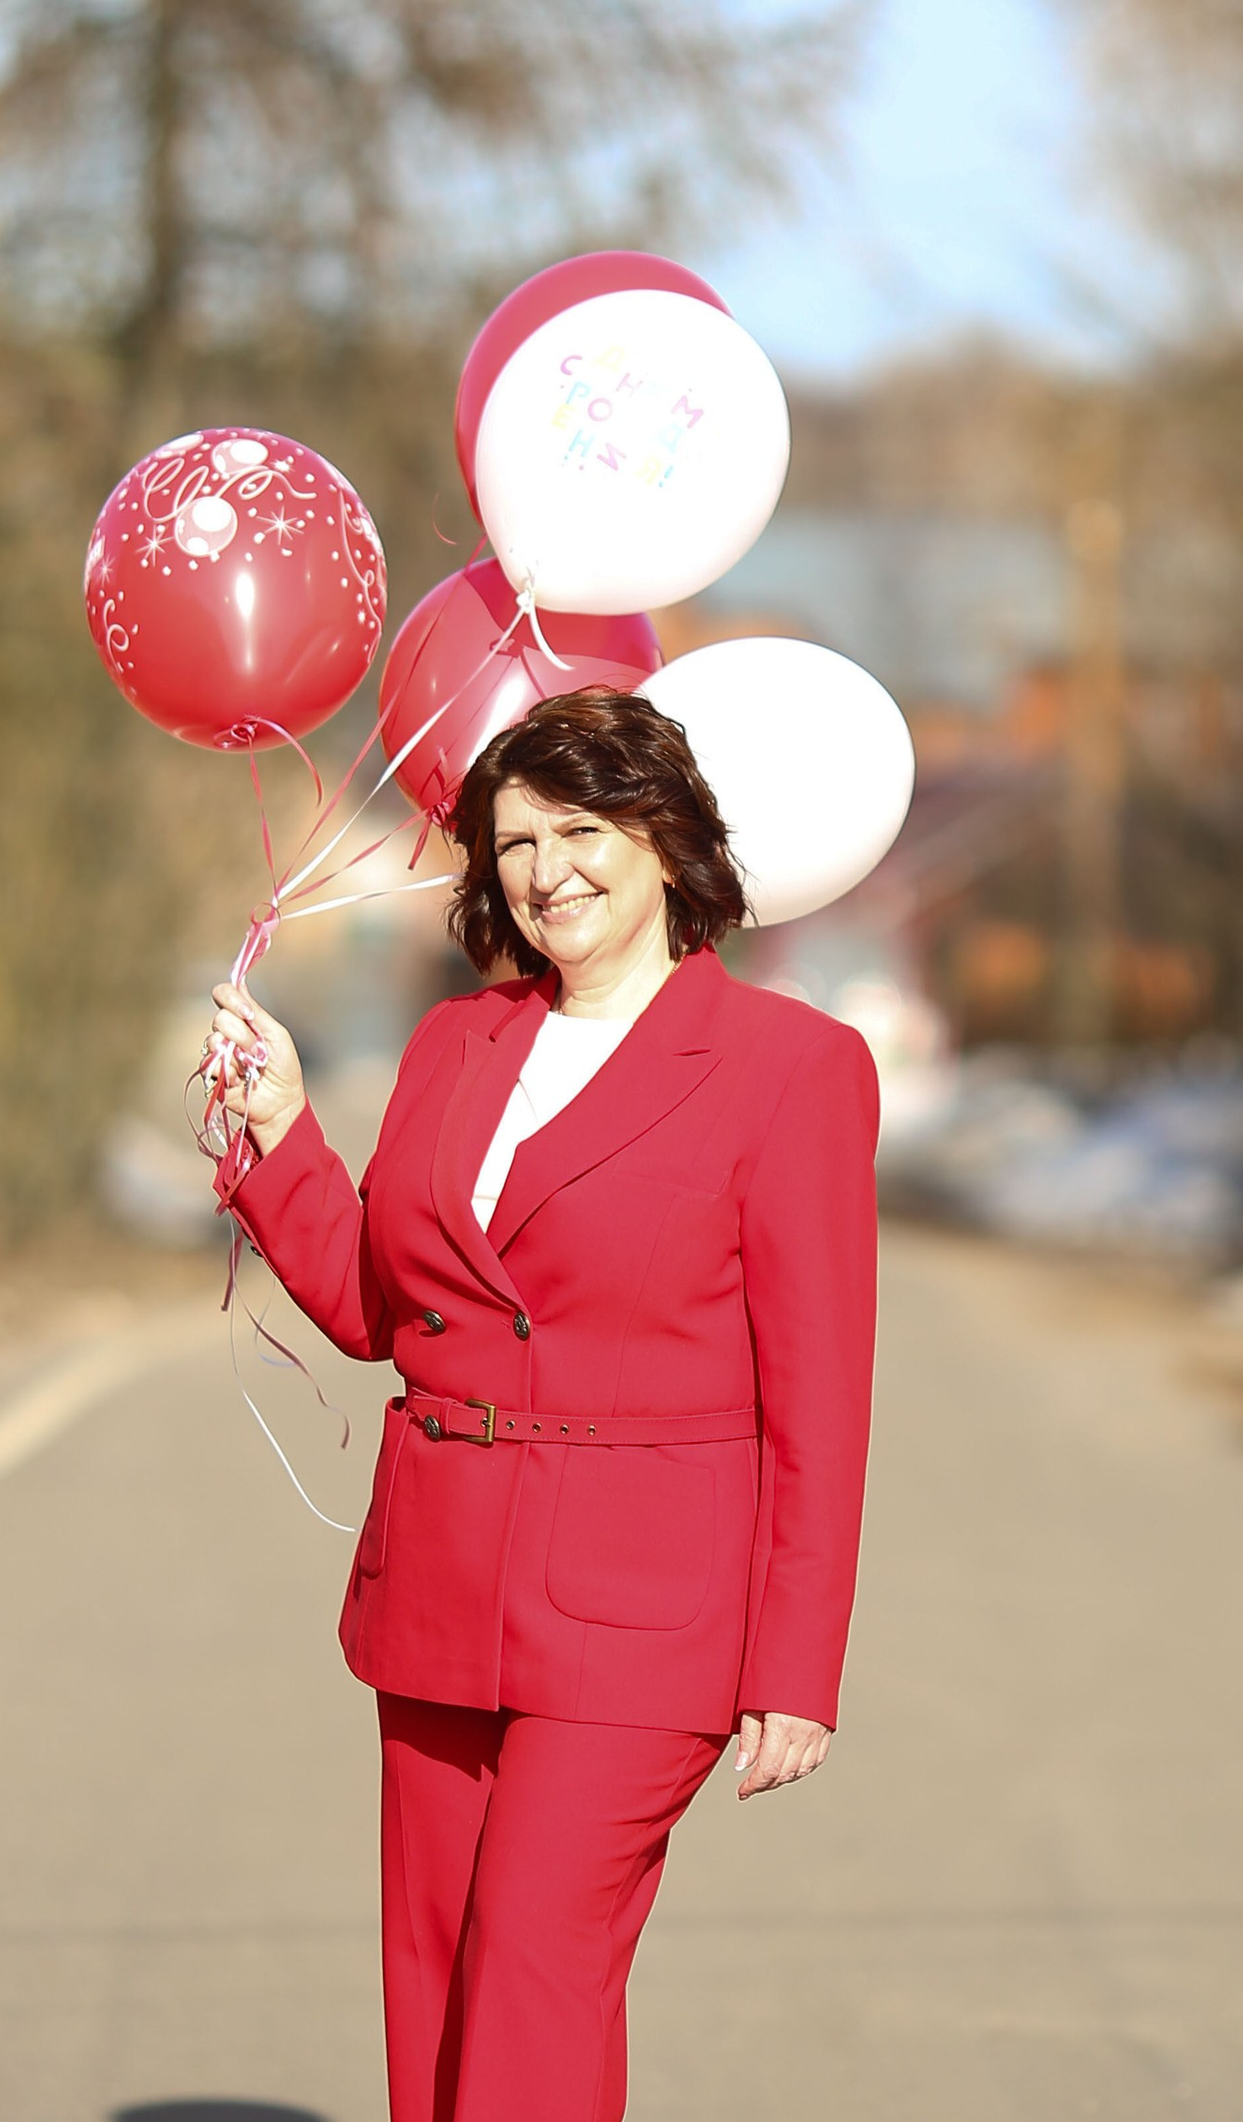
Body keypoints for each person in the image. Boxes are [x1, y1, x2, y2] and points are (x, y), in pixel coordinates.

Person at [206, 686, 880, 2122]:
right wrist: (279, 1132)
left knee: (532, 1968)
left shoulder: (793, 1070)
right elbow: (385, 1308)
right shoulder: (461, 1046)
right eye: (512, 841)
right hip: (438, 1584)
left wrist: (795, 1662)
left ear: (665, 843)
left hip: (647, 1617)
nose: (544, 870)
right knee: (438, 1975)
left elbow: (823, 1397)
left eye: (581, 830)